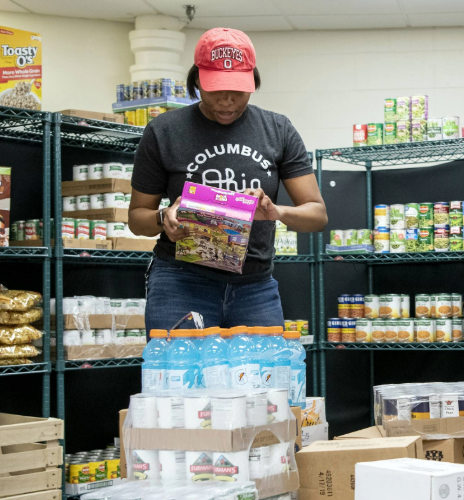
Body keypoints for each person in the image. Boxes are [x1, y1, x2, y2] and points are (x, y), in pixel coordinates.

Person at [129, 28, 327, 331]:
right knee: (181, 377)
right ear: (197, 80)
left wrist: (277, 212)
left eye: (238, 90)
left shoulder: (278, 129)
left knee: (264, 378)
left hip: (254, 287)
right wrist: (164, 217)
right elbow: (137, 219)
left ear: (253, 81)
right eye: (215, 89)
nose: (227, 101)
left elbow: (316, 214)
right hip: (181, 282)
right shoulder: (164, 131)